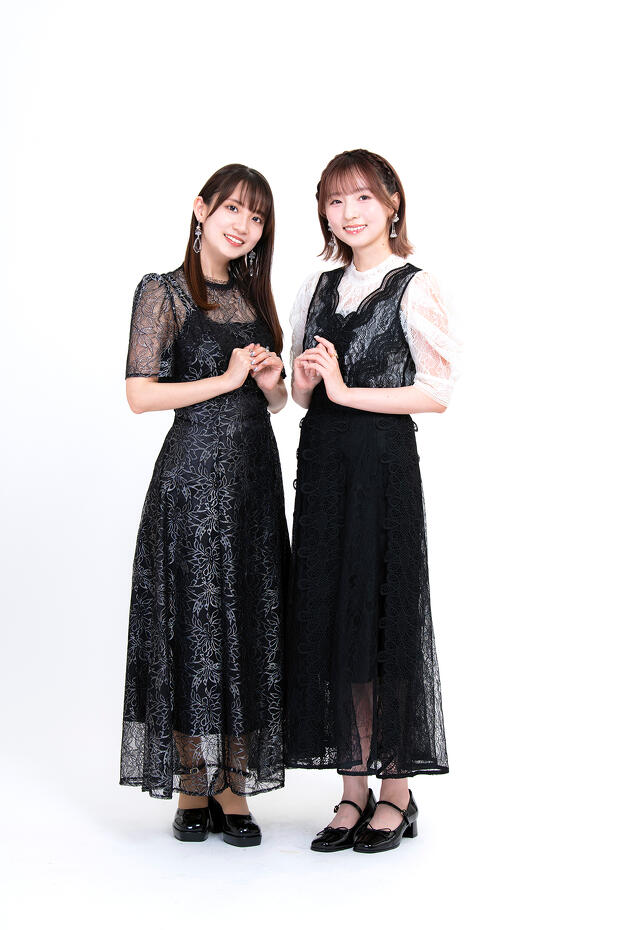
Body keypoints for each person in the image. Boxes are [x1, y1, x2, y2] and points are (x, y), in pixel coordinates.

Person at [285, 149, 461, 854]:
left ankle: (397, 791)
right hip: (324, 469)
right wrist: (307, 380)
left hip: (383, 470)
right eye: (334, 201)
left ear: (392, 203)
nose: (348, 212)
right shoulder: (316, 287)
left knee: (384, 620)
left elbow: (437, 393)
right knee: (334, 621)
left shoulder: (414, 286)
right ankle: (351, 788)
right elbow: (303, 396)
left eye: (361, 197)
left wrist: (345, 390)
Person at [120, 164, 289, 848]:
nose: (243, 225)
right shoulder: (161, 291)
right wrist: (224, 378)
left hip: (253, 483)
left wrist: (271, 382)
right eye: (233, 210)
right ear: (201, 209)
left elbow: (272, 402)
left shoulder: (255, 298)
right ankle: (194, 783)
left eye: (257, 217)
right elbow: (139, 394)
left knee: (246, 619)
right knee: (194, 623)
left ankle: (233, 785)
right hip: (190, 482)